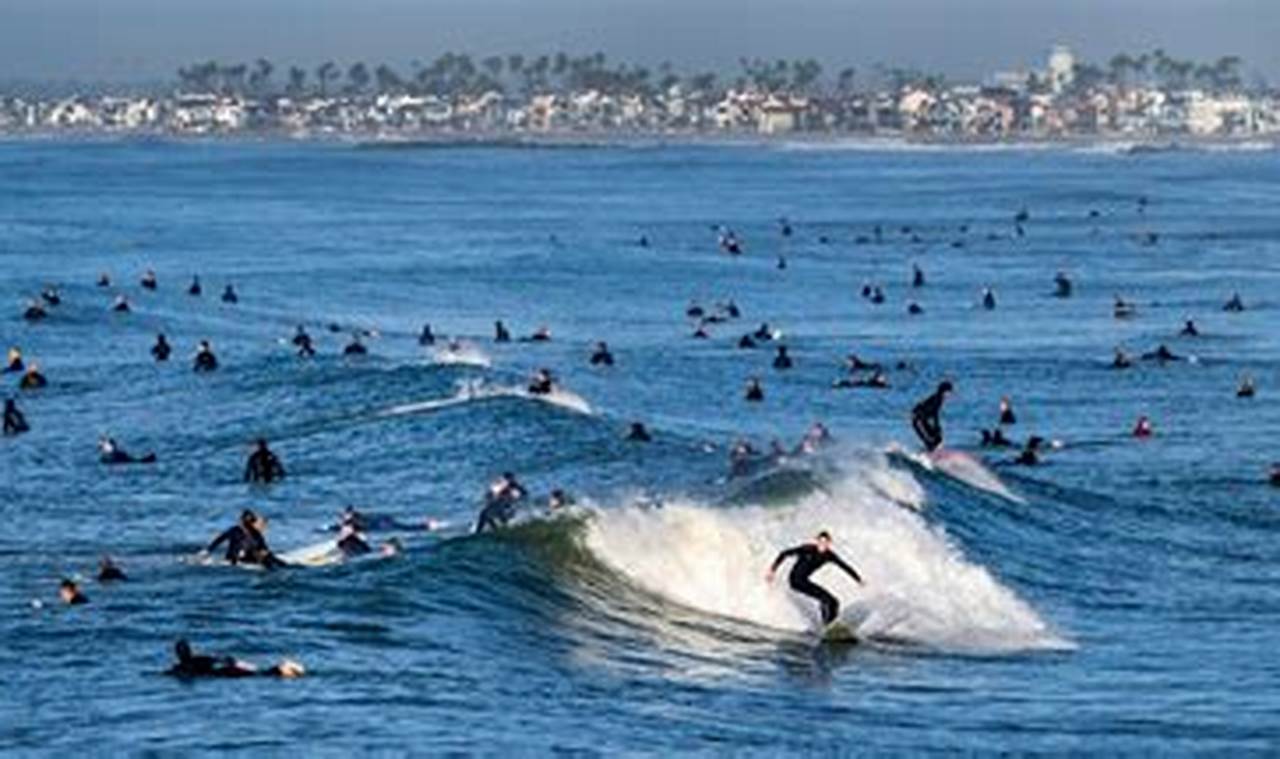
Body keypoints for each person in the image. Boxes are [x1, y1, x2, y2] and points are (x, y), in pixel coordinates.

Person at [767, 531, 863, 626]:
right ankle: (828, 625)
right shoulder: (807, 549)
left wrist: (858, 579)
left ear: (829, 543)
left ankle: (831, 625)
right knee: (826, 600)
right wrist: (772, 570)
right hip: (795, 581)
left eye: (825, 543)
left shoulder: (829, 555)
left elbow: (844, 566)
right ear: (817, 541)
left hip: (804, 581)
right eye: (821, 542)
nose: (823, 545)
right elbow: (784, 553)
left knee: (834, 602)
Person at [165, 639, 304, 679]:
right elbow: (220, 659)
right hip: (227, 668)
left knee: (258, 675)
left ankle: (281, 669)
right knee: (257, 674)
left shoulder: (182, 667)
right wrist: (234, 661)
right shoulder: (199, 658)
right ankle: (281, 669)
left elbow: (171, 673)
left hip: (223, 673)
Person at [206, 509, 287, 568]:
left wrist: (265, 554)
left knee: (267, 558)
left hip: (248, 559)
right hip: (233, 560)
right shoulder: (234, 530)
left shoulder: (256, 534)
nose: (246, 525)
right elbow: (219, 540)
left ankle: (283, 566)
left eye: (249, 522)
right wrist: (208, 551)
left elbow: (264, 549)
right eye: (245, 522)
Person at [911, 380, 953, 452]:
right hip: (918, 421)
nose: (950, 394)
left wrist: (936, 426)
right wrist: (936, 425)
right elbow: (933, 413)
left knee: (937, 438)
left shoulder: (938, 398)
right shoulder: (937, 399)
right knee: (930, 440)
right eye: (949, 392)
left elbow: (934, 414)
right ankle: (928, 453)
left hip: (923, 420)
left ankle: (932, 452)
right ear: (945, 391)